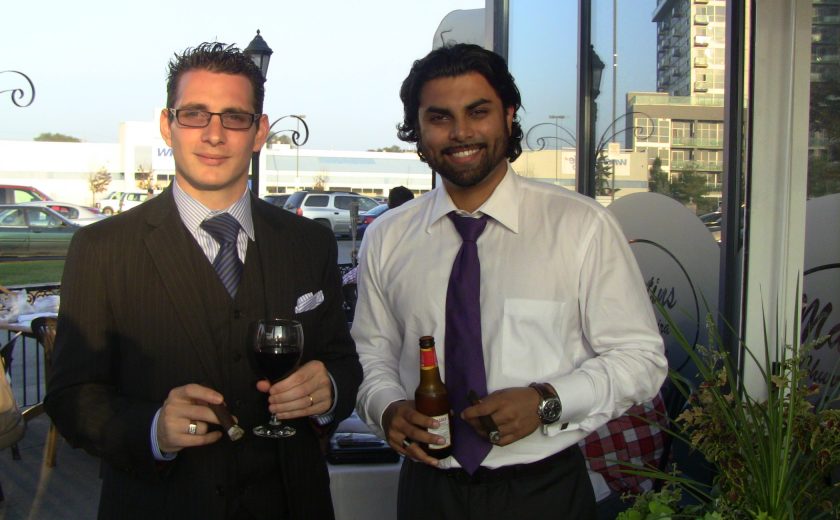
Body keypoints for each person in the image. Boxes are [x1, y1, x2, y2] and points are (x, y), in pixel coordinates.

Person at [45, 42, 361, 520]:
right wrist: (151, 427)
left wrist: (330, 390)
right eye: (195, 114)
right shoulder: (101, 249)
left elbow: (341, 360)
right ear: (166, 126)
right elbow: (70, 398)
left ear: (259, 133)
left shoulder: (308, 243)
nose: (214, 134)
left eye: (234, 117)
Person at [352, 43, 667, 519]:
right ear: (417, 130)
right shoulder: (388, 237)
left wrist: (547, 401)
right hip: (427, 492)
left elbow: (641, 359)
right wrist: (387, 409)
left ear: (508, 115)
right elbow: (370, 353)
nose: (460, 132)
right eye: (439, 117)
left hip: (544, 490)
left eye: (477, 112)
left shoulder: (580, 226)